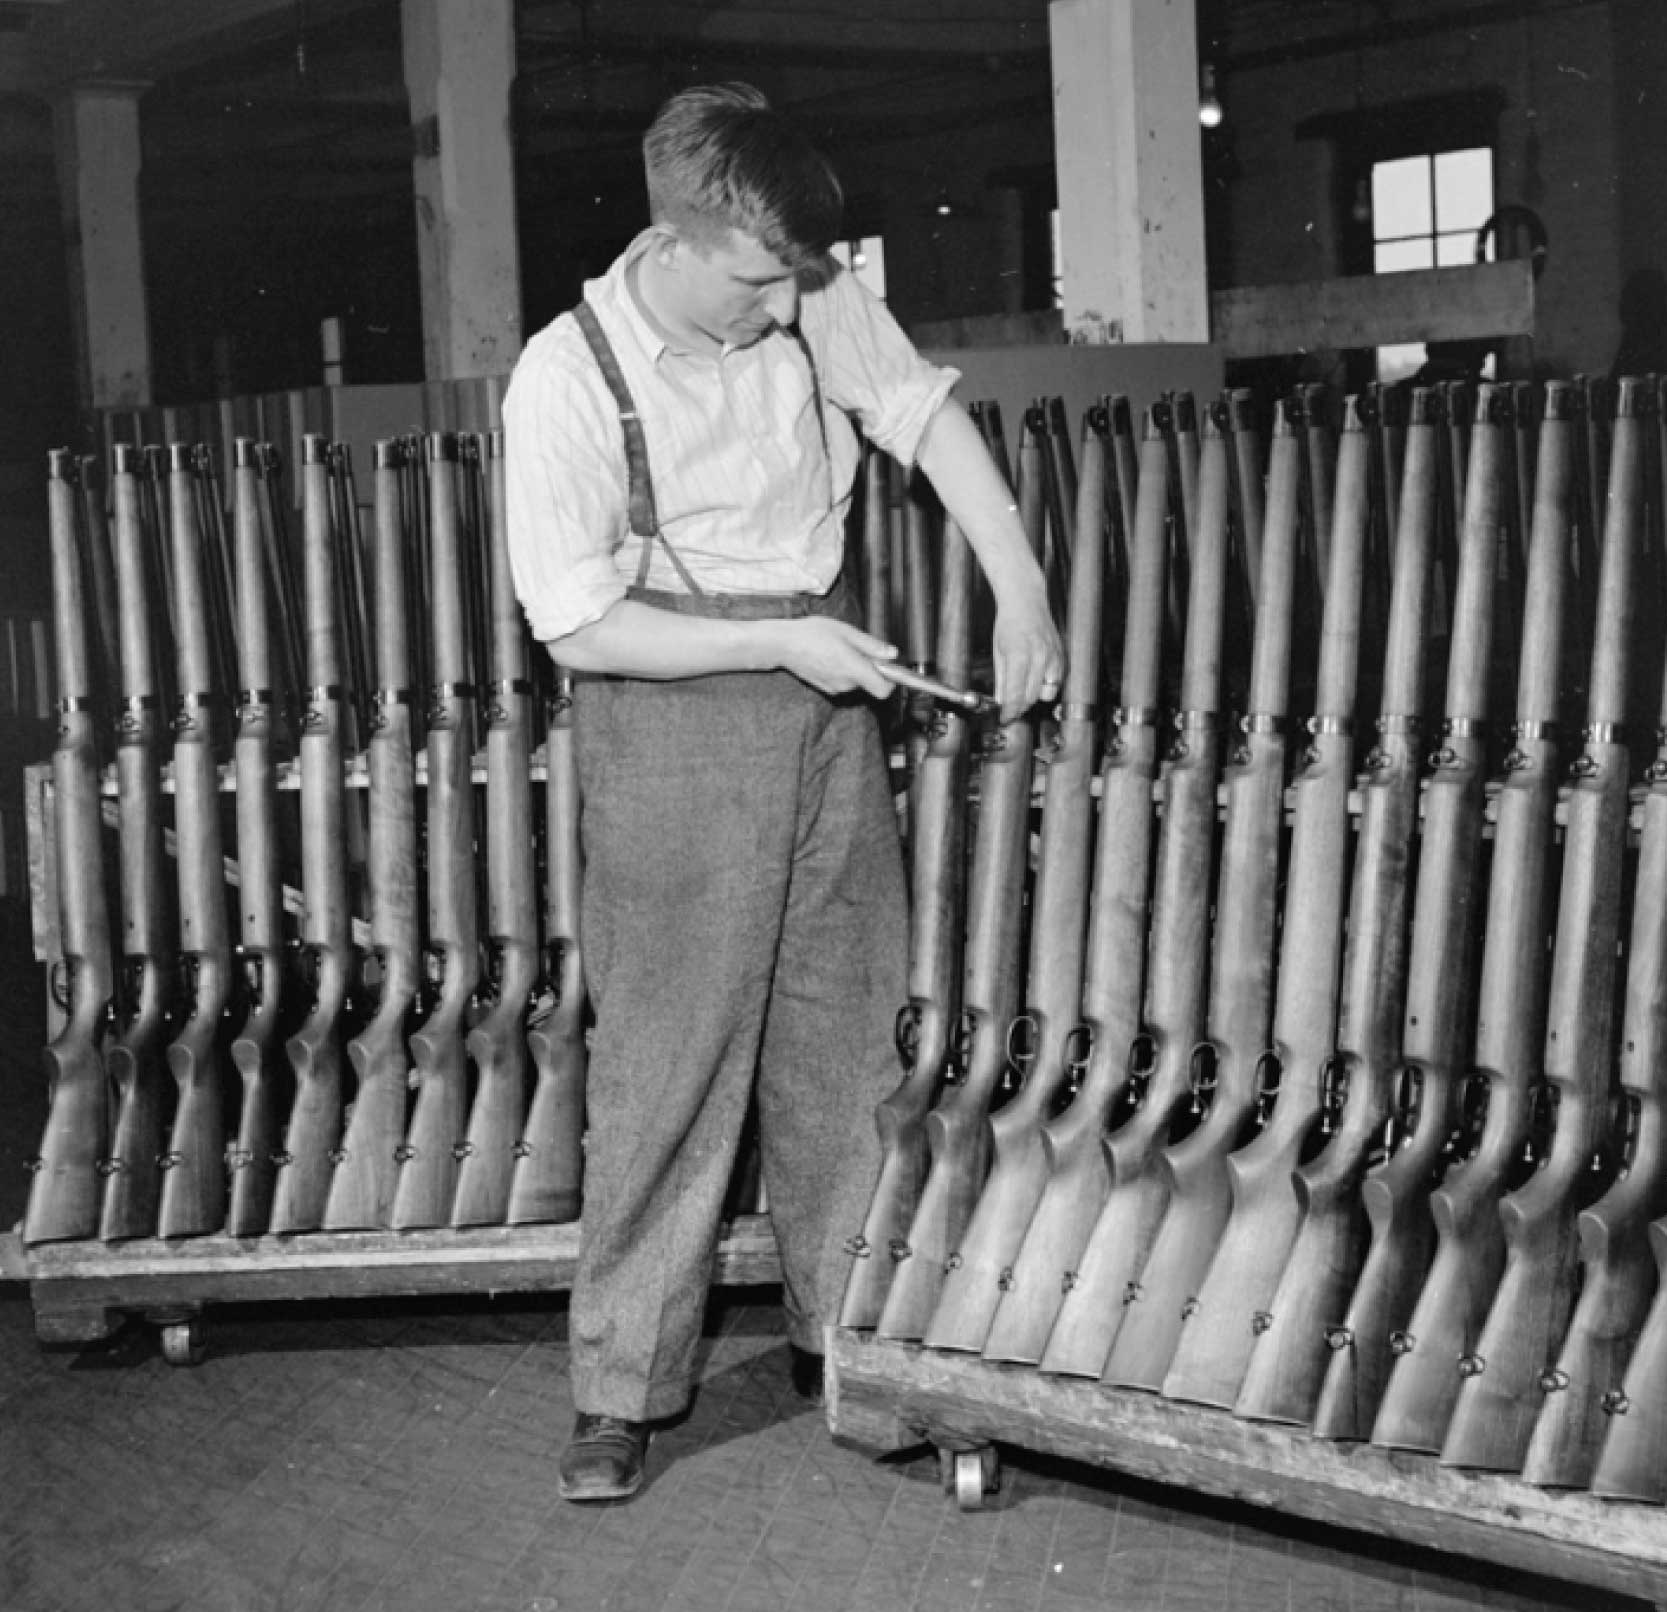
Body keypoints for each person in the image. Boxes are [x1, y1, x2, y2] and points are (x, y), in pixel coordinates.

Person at [503, 83, 1062, 1503]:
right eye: (756, 280)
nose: (778, 305)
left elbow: (925, 418)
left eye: (795, 279)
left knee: (843, 1040)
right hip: (672, 706)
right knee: (673, 1061)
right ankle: (623, 1388)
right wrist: (777, 643)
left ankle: (849, 1340)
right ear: (677, 239)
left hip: (826, 705)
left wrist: (1022, 589)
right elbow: (575, 625)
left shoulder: (807, 297)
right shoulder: (568, 374)